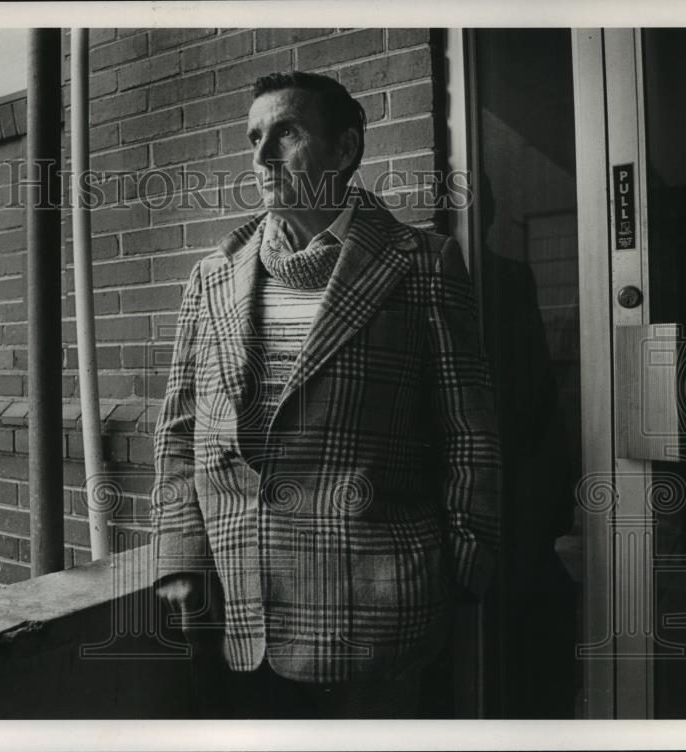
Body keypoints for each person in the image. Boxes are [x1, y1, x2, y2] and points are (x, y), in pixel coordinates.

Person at [150, 70, 501, 718]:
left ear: (345, 150)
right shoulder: (212, 277)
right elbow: (179, 432)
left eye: (285, 133)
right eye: (253, 136)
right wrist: (179, 560)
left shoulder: (421, 263)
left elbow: (468, 432)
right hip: (237, 615)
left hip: (378, 618)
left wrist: (461, 572)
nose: (259, 157)